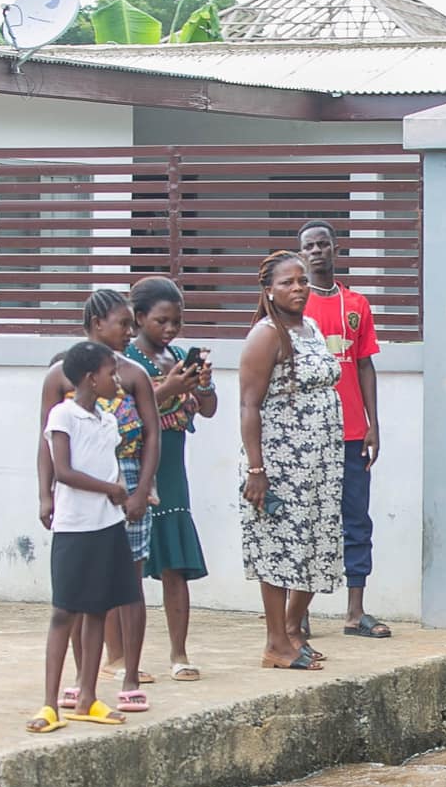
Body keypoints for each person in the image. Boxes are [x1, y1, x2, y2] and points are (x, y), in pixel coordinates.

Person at [35, 289, 158, 713]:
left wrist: (142, 489)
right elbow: (48, 445)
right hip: (81, 493)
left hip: (125, 483)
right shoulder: (59, 380)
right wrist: (44, 491)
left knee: (126, 584)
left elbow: (152, 434)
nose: (130, 331)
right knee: (77, 593)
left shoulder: (133, 375)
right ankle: (80, 676)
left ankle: (128, 673)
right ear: (96, 325)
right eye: (123, 324)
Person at [239, 250, 343, 671]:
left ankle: (293, 630)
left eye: (302, 281)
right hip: (281, 464)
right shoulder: (266, 334)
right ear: (269, 290)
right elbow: (249, 405)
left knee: (318, 544)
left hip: (321, 464)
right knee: (278, 549)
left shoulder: (312, 327)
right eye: (287, 282)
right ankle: (275, 643)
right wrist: (257, 469)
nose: (298, 288)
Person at [299, 220, 392, 639]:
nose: (317, 251)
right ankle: (297, 612)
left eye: (323, 244)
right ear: (301, 254)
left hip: (353, 433)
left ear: (335, 250)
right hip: (311, 434)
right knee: (309, 521)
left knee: (356, 520)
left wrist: (374, 424)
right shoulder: (292, 305)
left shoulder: (356, 304)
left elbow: (365, 364)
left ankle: (355, 612)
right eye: (309, 246)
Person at [123, 276, 216, 681]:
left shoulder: (177, 356)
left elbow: (208, 410)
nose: (170, 330)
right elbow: (123, 411)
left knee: (175, 563)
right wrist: (169, 388)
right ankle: (122, 658)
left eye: (176, 321)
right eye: (161, 321)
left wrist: (202, 385)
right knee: (126, 564)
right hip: (136, 463)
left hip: (173, 465)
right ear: (139, 318)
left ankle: (179, 654)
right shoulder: (123, 360)